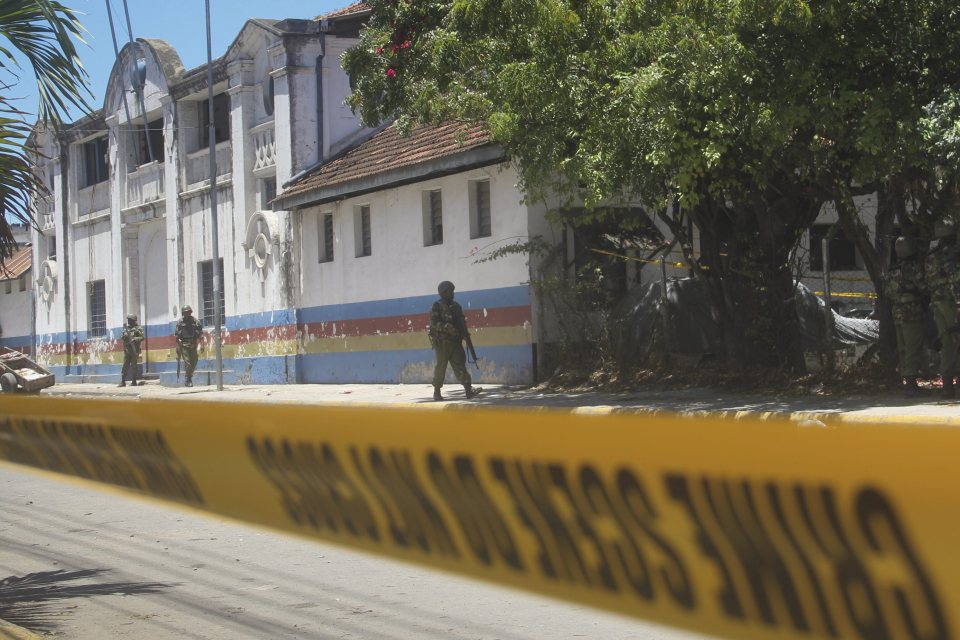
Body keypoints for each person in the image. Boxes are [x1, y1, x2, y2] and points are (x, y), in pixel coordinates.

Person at [885, 237, 928, 397]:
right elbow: (924, 287)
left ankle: (907, 382)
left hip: (897, 312)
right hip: (912, 312)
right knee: (912, 347)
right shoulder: (912, 268)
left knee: (903, 347)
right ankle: (911, 385)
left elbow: (887, 292)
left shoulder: (892, 269)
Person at [925, 219, 960, 398]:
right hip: (951, 303)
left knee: (947, 342)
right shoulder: (952, 254)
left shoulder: (932, 255)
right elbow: (956, 281)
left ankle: (947, 385)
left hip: (937, 303)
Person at [428, 280, 475, 401]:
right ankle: (437, 392)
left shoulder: (456, 306)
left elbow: (461, 322)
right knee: (441, 367)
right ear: (443, 292)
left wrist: (465, 334)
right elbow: (433, 324)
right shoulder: (437, 306)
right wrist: (446, 327)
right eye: (450, 291)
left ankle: (468, 390)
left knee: (460, 365)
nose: (453, 293)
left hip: (455, 342)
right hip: (442, 342)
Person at [175, 305, 202, 387]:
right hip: (184, 345)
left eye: (188, 312)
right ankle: (188, 379)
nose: (187, 314)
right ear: (183, 313)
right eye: (185, 312)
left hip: (193, 344)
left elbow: (200, 332)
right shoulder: (180, 322)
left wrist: (202, 344)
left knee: (194, 362)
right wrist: (178, 346)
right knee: (188, 363)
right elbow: (176, 335)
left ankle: (189, 376)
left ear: (190, 312)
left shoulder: (195, 321)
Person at [118, 314, 144, 387]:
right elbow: (122, 338)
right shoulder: (126, 328)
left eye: (130, 320)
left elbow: (142, 337)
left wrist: (134, 339)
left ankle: (134, 381)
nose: (128, 321)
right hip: (127, 350)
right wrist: (124, 336)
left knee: (134, 366)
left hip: (134, 349)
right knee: (125, 365)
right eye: (128, 320)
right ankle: (123, 381)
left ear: (133, 320)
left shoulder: (138, 328)